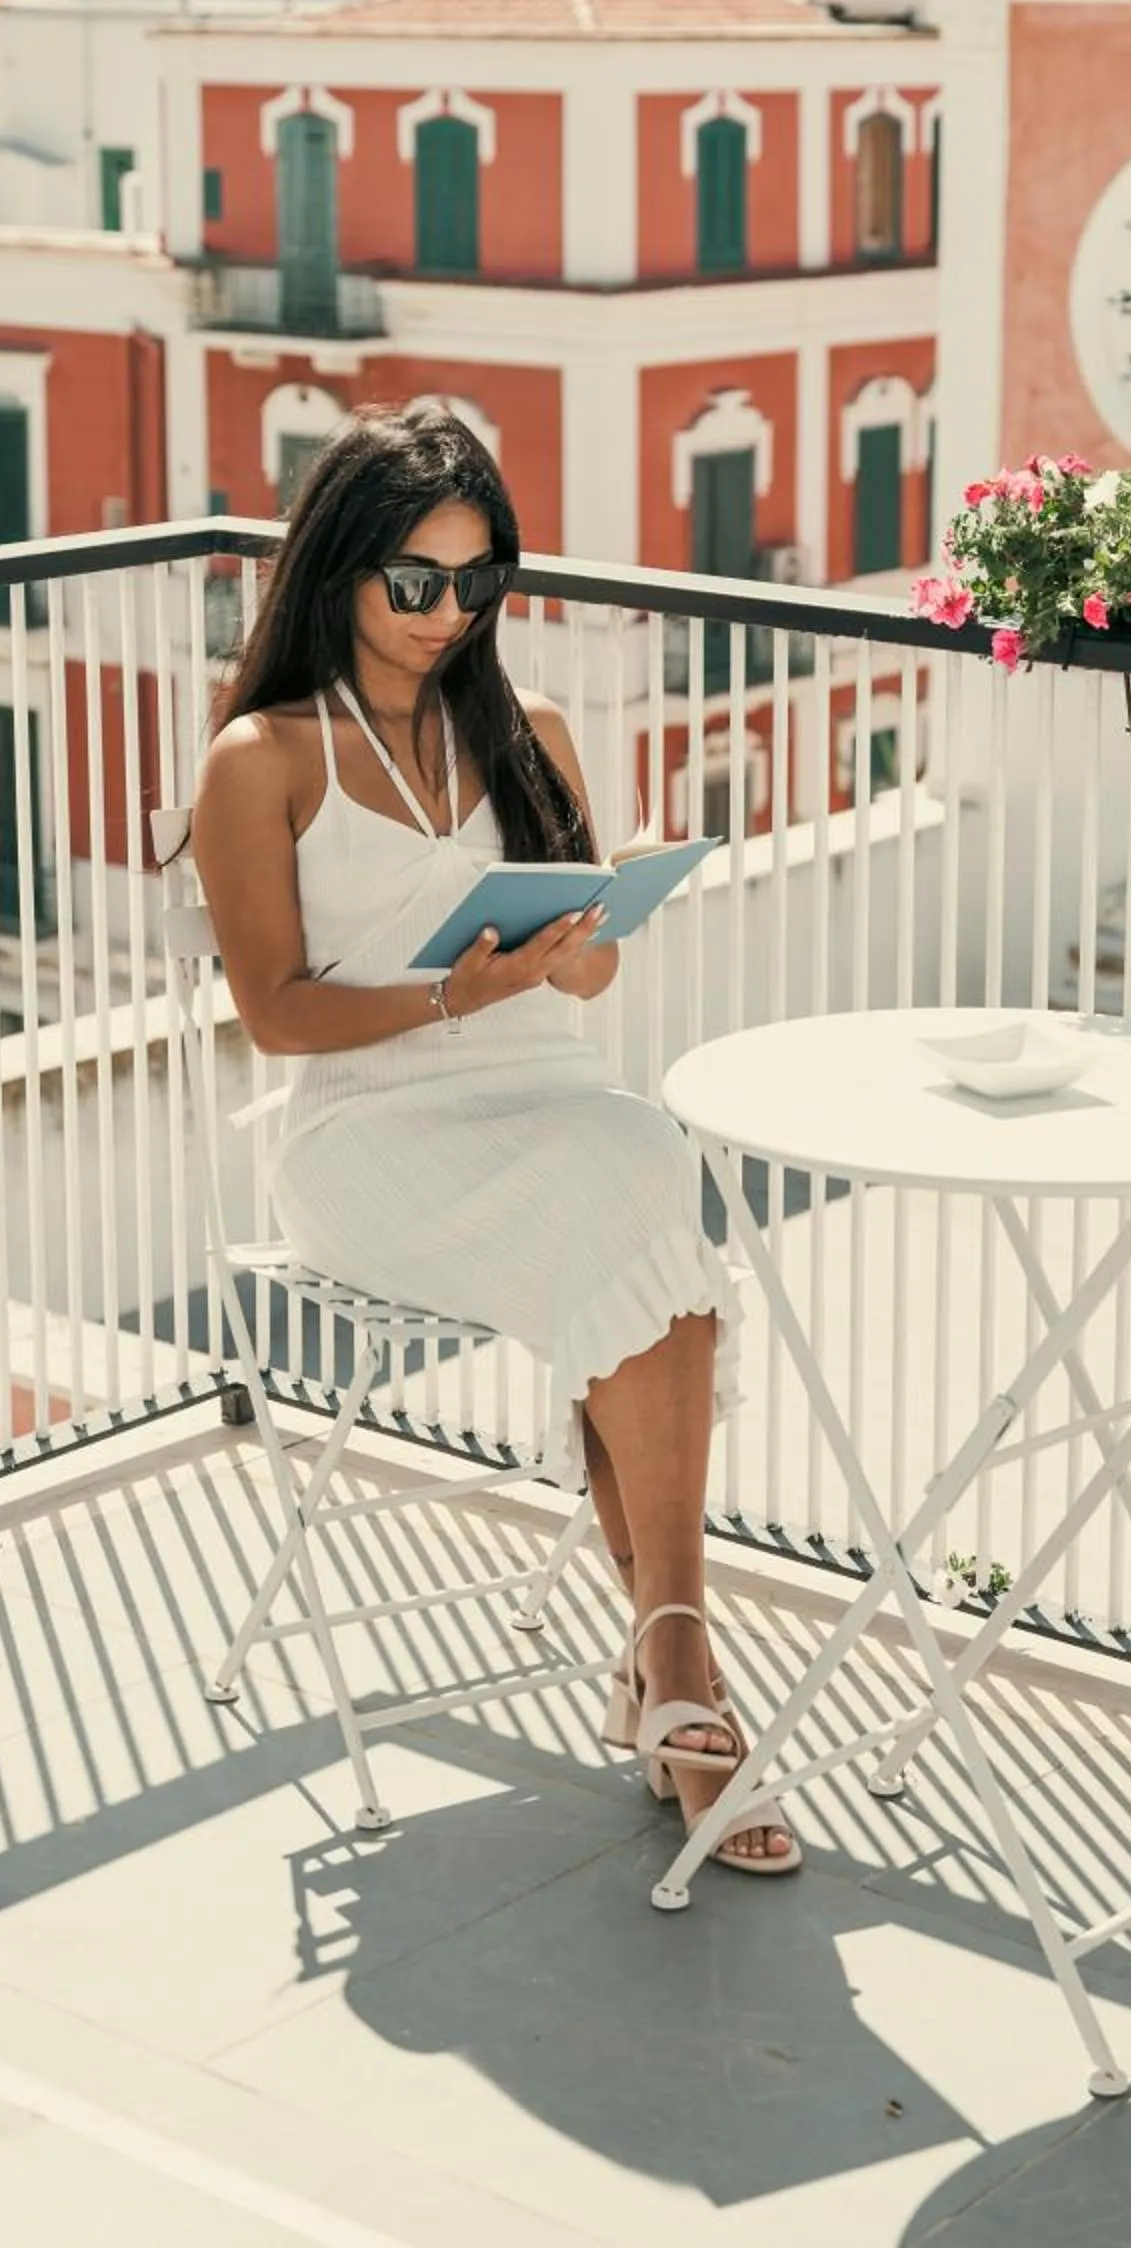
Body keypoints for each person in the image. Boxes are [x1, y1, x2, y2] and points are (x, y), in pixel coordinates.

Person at [193, 404, 796, 1873]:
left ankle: (672, 1660)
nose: (444, 614)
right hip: (368, 1134)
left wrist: (589, 939)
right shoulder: (261, 758)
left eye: (475, 584)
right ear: (338, 566)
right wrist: (453, 991)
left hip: (546, 1095)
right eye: (415, 580)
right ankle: (680, 1673)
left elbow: (585, 980)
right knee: (639, 1197)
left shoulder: (530, 734)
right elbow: (275, 1016)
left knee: (635, 1164)